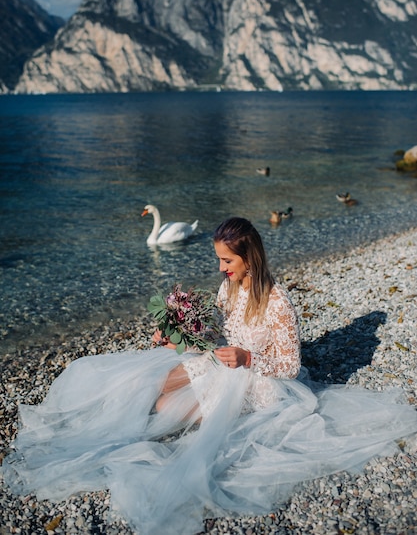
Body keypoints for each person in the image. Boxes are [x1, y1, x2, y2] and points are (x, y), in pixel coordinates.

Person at [2, 217, 417, 535]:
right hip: (223, 360)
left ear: (249, 256)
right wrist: (178, 339)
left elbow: (289, 367)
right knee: (151, 381)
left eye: (227, 260)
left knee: (167, 407)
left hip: (258, 381)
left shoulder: (278, 302)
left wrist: (248, 358)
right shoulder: (228, 288)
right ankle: (105, 430)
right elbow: (216, 335)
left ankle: (129, 444)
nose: (220, 268)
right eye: (219, 259)